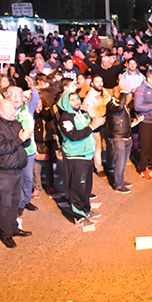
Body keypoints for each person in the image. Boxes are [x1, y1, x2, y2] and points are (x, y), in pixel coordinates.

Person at [0, 99, 33, 247]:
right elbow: (0, 148)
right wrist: (20, 139)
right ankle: (5, 233)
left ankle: (13, 227)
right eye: (11, 109)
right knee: (6, 203)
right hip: (4, 170)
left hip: (17, 167)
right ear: (0, 111)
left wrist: (26, 139)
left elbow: (23, 143)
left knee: (15, 201)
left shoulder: (15, 123)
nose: (14, 111)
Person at [57, 80, 106, 226]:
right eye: (72, 100)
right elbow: (74, 135)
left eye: (76, 98)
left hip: (87, 156)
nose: (76, 101)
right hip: (76, 157)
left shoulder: (82, 114)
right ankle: (78, 216)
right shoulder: (65, 118)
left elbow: (90, 129)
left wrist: (97, 123)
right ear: (66, 103)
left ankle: (86, 208)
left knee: (86, 186)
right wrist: (91, 127)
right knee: (77, 187)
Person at [4, 86, 40, 215]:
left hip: (28, 149)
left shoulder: (27, 108)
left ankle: (25, 200)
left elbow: (35, 100)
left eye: (18, 95)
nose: (16, 97)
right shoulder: (5, 111)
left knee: (27, 177)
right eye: (12, 95)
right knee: (15, 178)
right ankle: (17, 202)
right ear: (7, 98)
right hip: (12, 150)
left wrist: (33, 88)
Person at [105, 88, 133, 194]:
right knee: (120, 162)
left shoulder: (123, 106)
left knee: (124, 161)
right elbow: (119, 108)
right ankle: (118, 185)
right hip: (118, 137)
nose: (125, 96)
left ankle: (120, 180)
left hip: (126, 136)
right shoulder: (111, 105)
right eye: (121, 93)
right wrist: (124, 93)